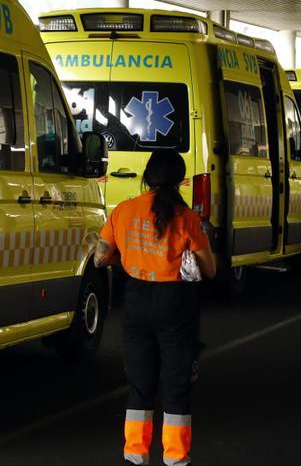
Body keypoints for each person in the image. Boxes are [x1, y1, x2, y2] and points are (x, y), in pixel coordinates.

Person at [95, 150, 217, 466]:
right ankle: (175, 458)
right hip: (176, 305)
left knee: (140, 384)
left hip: (136, 302)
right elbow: (211, 269)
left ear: (147, 176)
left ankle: (135, 455)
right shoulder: (186, 218)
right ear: (180, 181)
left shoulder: (123, 211)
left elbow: (100, 257)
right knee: (176, 386)